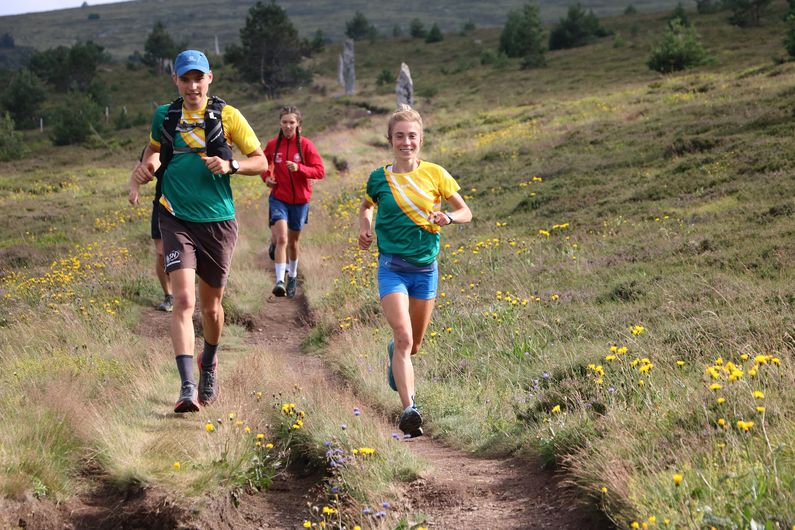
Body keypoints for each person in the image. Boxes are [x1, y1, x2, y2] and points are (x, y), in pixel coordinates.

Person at [128, 50, 268, 413]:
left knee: (211, 308)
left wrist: (230, 164)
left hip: (218, 221)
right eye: (185, 78)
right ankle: (187, 386)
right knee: (184, 301)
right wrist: (147, 167)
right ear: (175, 80)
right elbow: (157, 151)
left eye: (198, 78)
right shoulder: (165, 114)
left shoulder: (228, 115)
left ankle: (210, 360)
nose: (192, 85)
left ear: (210, 78)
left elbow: (261, 161)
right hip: (174, 216)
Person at [358, 105, 471, 437]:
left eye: (412, 136)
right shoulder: (380, 177)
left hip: (425, 270)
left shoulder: (436, 174)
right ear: (390, 140)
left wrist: (448, 217)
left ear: (420, 139)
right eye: (399, 136)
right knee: (404, 336)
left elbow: (465, 211)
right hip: (392, 267)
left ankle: (397, 355)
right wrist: (365, 227)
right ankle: (410, 409)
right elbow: (367, 206)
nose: (405, 142)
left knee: (413, 345)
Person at [261, 106, 325, 298]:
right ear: (280, 124)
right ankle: (280, 280)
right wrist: (266, 177)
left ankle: (293, 276)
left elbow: (319, 171)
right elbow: (263, 163)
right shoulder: (273, 145)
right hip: (279, 197)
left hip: (300, 201)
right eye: (284, 122)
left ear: (298, 125)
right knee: (282, 238)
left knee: (293, 242)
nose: (288, 126)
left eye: (292, 122)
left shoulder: (306, 146)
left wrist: (300, 168)